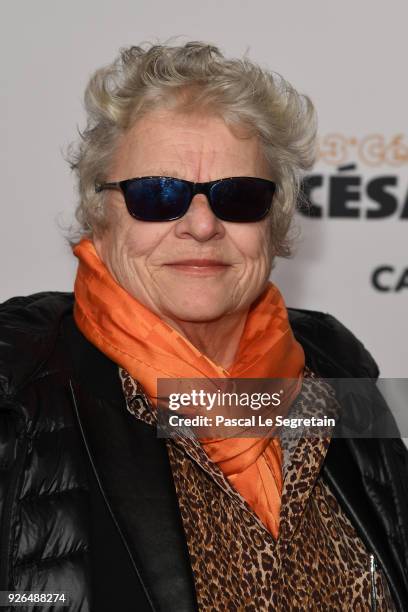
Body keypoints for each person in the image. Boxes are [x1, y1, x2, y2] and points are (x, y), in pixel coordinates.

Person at [0, 41, 407, 612]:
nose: (201, 224)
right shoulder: (15, 386)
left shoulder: (337, 367)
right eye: (157, 194)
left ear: (276, 221)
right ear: (101, 213)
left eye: (239, 196)